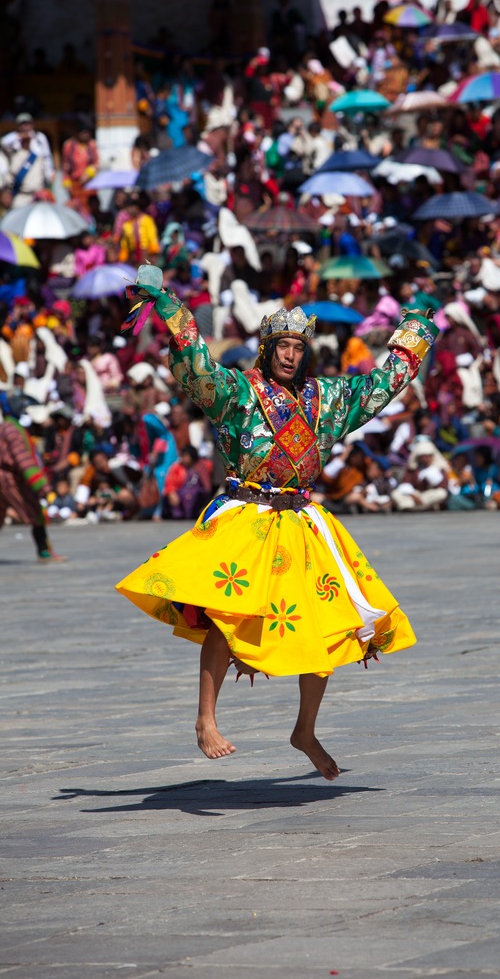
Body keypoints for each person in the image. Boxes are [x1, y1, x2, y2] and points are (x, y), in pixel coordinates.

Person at [116, 274, 435, 780]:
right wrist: (171, 307)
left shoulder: (326, 399)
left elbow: (377, 387)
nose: (290, 355)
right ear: (267, 350)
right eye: (282, 345)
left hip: (303, 520)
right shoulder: (238, 393)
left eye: (297, 347)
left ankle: (305, 729)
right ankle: (206, 718)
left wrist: (415, 332)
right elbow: (196, 364)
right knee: (228, 612)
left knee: (328, 628)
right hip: (249, 514)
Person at [0, 396, 64, 562]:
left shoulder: (5, 428)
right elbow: (24, 461)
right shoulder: (12, 430)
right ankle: (44, 551)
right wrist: (43, 487)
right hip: (10, 479)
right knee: (35, 512)